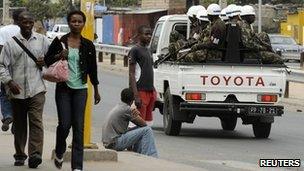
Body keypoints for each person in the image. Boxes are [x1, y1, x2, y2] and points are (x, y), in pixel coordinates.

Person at [44, 10, 101, 171]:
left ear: (84, 24)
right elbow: (47, 61)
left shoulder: (88, 45)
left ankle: (77, 167)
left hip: (81, 89)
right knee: (64, 125)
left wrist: (96, 90)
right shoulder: (59, 41)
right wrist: (59, 55)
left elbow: (93, 69)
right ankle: (60, 151)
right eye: (73, 21)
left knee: (79, 127)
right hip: (63, 89)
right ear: (69, 23)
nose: (76, 24)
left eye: (79, 21)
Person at [0, 11, 49, 168]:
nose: (27, 25)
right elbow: (1, 65)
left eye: (30, 22)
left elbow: (53, 60)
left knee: (36, 122)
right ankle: (20, 154)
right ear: (18, 23)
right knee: (20, 125)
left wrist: (46, 63)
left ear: (33, 22)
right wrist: (9, 81)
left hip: (37, 89)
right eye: (24, 22)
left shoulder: (42, 41)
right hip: (17, 90)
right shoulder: (10, 43)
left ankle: (35, 154)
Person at [102, 88, 158, 157]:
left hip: (109, 142)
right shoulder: (127, 109)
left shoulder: (119, 106)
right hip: (114, 143)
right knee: (147, 130)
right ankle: (152, 156)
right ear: (132, 100)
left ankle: (138, 152)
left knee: (139, 129)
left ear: (121, 97)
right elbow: (144, 124)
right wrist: (137, 113)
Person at [0, 9, 24, 133]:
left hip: (5, 68)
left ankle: (8, 115)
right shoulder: (27, 30)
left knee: (4, 93)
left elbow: (0, 48)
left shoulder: (3, 31)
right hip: (23, 69)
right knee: (20, 97)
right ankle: (17, 123)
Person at [129, 25, 156, 126]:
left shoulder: (148, 50)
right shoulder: (135, 50)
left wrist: (153, 91)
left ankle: (145, 141)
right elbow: (131, 73)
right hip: (140, 91)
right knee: (139, 122)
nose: (149, 36)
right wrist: (136, 95)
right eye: (146, 34)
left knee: (148, 123)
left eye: (150, 34)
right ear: (139, 35)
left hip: (150, 91)